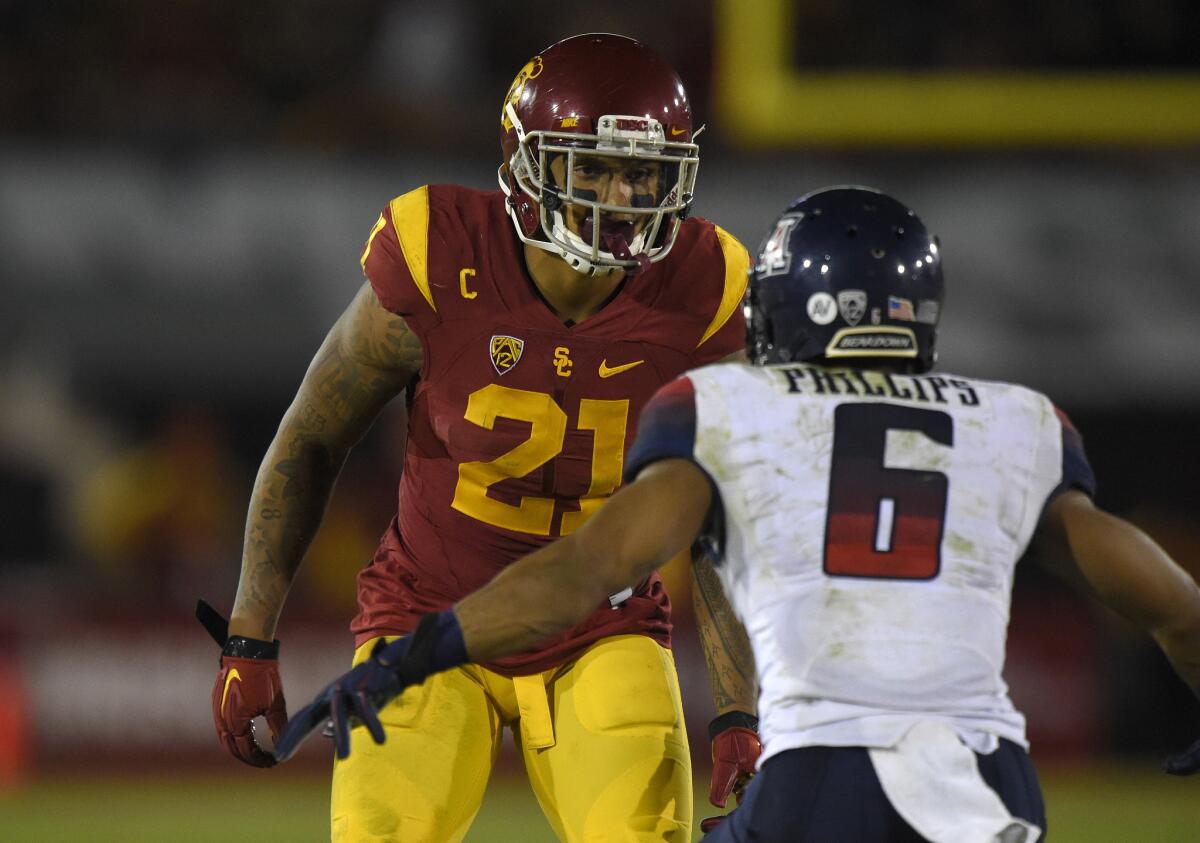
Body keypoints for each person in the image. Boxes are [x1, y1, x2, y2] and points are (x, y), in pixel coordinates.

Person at [275, 186, 1200, 841]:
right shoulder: (1016, 420)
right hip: (990, 778)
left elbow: (584, 572)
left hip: (824, 774)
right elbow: (1173, 603)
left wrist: (420, 647)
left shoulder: (730, 408)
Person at [204, 33, 759, 842]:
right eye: (593, 167)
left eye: (643, 171)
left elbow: (719, 514)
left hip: (599, 632)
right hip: (426, 620)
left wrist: (741, 706)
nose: (622, 197)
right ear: (530, 168)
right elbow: (313, 435)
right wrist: (250, 633)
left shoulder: (704, 287)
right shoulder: (441, 253)